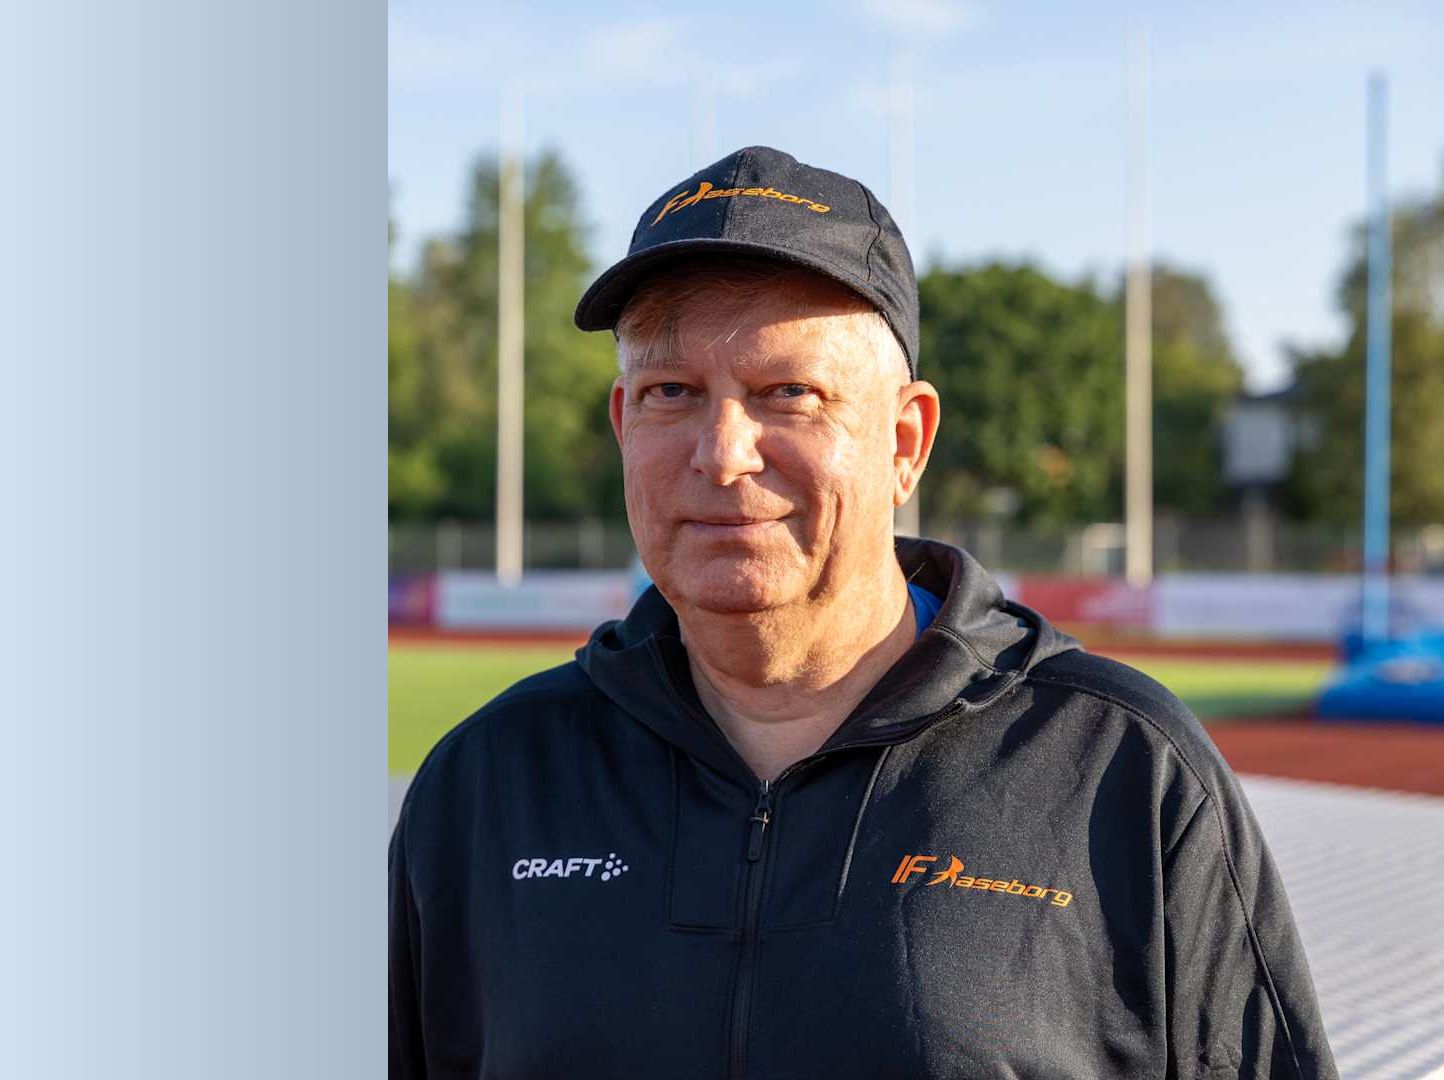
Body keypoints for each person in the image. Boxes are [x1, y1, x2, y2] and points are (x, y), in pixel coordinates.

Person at [390, 145, 1338, 1079]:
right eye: (670, 392)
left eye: (789, 393)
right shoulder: (488, 784)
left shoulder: (1121, 772)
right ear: (622, 424)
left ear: (904, 441)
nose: (722, 453)